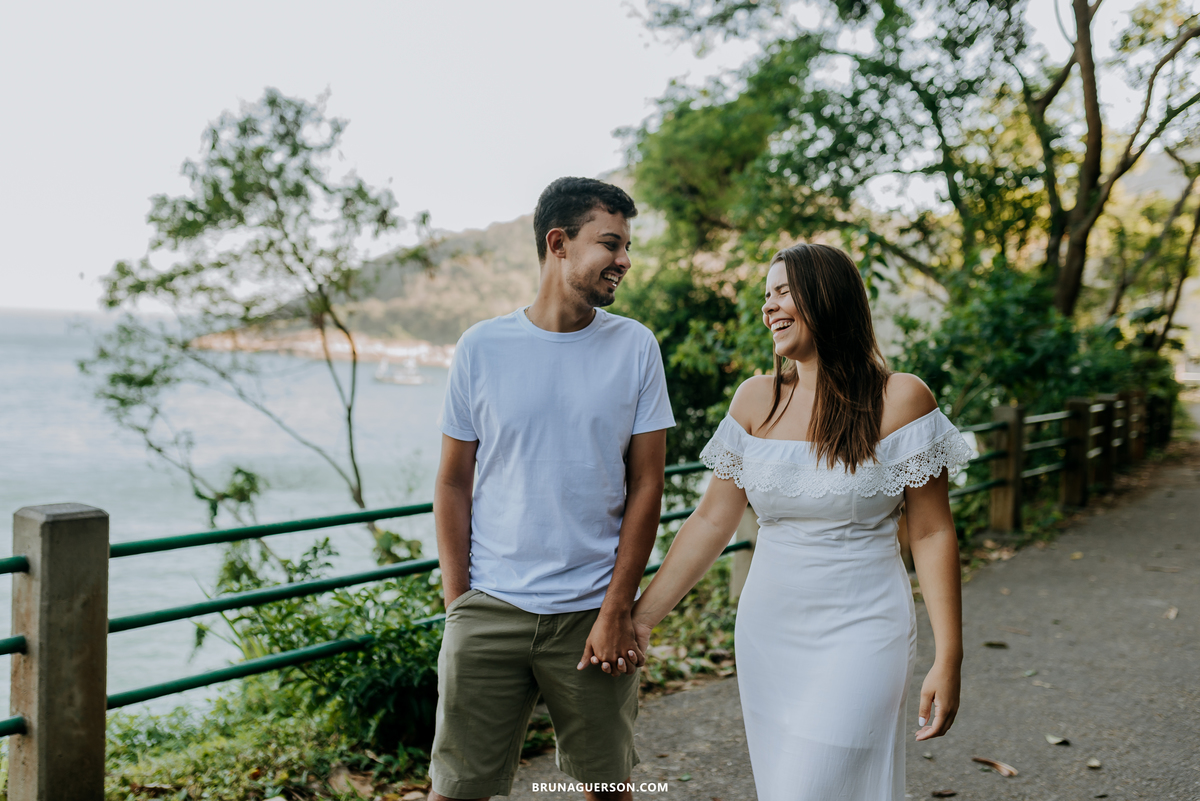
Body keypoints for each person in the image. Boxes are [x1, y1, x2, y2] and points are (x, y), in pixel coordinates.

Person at [630, 243, 969, 800]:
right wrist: (641, 619)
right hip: (770, 632)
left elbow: (932, 533)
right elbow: (713, 521)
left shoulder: (900, 399)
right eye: (767, 296)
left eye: (784, 291)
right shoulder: (755, 401)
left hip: (865, 629)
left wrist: (949, 655)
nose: (770, 307)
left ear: (829, 297)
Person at [430, 177, 675, 801]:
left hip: (592, 612)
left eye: (626, 246)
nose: (624, 260)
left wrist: (618, 607)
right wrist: (460, 601)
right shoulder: (481, 348)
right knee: (458, 791)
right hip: (490, 609)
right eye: (610, 244)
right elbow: (454, 480)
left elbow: (648, 484)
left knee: (607, 789)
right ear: (559, 243)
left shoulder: (636, 347)